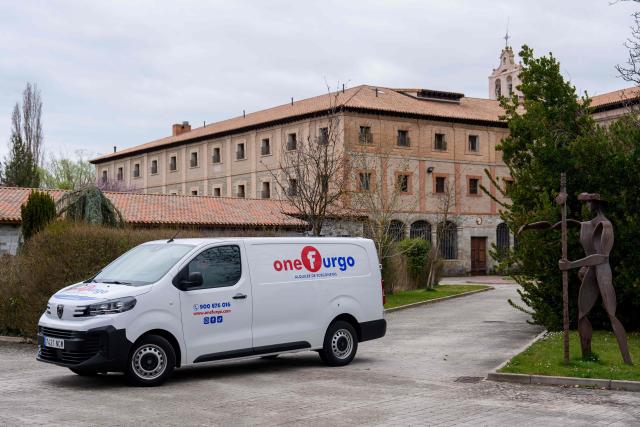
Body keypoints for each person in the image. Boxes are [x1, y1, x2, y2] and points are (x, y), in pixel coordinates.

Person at [519, 193, 632, 364]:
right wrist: (529, 226)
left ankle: (627, 360)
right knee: (582, 315)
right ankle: (587, 356)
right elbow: (555, 226)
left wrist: (571, 264)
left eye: (588, 203)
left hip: (602, 272)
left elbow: (602, 257)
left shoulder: (605, 225)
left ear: (596, 204)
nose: (586, 206)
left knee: (611, 314)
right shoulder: (585, 225)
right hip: (591, 272)